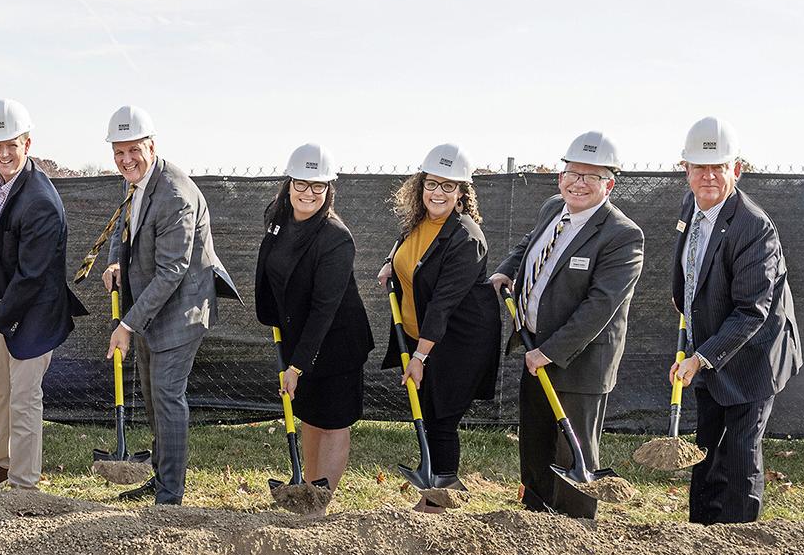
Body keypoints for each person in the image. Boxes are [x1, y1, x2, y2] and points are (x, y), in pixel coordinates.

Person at [88, 105, 239, 505]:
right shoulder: (136, 183)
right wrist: (114, 262)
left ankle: (171, 496)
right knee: (155, 398)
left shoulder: (174, 194)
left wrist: (127, 324)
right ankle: (161, 478)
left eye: (133, 150)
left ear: (151, 146)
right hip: (150, 307)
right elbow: (125, 228)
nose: (125, 160)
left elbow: (173, 271)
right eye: (118, 152)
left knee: (168, 397)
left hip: (181, 311)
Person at [490, 131, 644, 519]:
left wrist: (550, 351)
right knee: (536, 445)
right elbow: (529, 244)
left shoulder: (622, 235)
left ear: (608, 185)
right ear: (561, 178)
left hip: (578, 363)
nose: (578, 183)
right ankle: (534, 524)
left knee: (571, 457)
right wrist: (508, 270)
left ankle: (576, 537)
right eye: (573, 173)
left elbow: (600, 307)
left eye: (591, 177)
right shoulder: (553, 208)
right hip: (534, 347)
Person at [668, 117, 801, 525]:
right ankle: (701, 536)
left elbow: (751, 311)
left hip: (752, 355)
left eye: (718, 167)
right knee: (707, 446)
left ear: (736, 170)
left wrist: (700, 358)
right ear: (686, 170)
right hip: (708, 347)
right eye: (699, 167)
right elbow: (693, 272)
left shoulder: (753, 227)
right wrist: (686, 313)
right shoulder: (691, 204)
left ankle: (739, 544)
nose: (708, 176)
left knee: (740, 452)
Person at [0, 99, 88, 489]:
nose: (3, 153)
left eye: (11, 145)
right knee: (0, 389)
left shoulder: (41, 203)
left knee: (23, 399)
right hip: (9, 302)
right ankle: (3, 464)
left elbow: (32, 276)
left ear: (27, 144)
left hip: (35, 311)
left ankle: (24, 485)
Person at [377, 143, 500, 513]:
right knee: (429, 414)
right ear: (421, 185)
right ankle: (436, 489)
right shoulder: (420, 221)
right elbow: (408, 250)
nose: (438, 193)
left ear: (463, 192)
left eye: (449, 186)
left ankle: (442, 495)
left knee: (441, 416)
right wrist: (389, 264)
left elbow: (444, 302)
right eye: (432, 184)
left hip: (458, 341)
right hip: (426, 335)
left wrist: (419, 356)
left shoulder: (465, 236)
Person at [254, 143, 373, 494]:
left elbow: (325, 308)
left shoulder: (336, 239)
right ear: (289, 183)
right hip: (300, 336)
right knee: (310, 415)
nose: (309, 192)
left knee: (333, 421)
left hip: (336, 342)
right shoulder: (279, 219)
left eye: (318, 185)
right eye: (302, 183)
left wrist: (296, 367)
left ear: (328, 189)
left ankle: (321, 499)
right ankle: (307, 487)